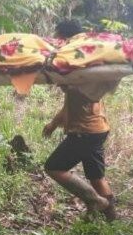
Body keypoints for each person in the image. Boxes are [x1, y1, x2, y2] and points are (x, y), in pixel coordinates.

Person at [42, 20, 116, 221]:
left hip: (85, 131)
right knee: (96, 177)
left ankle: (96, 201)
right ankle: (110, 218)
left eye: (59, 38)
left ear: (66, 38)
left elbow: (86, 96)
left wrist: (69, 86)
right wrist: (53, 124)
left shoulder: (79, 67)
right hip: (97, 129)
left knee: (54, 167)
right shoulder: (78, 67)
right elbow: (69, 106)